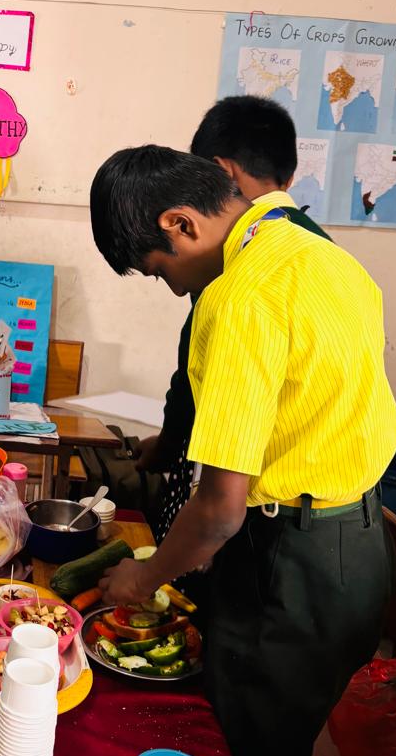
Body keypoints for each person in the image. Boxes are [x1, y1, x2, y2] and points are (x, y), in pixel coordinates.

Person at [90, 146, 396, 756]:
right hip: (360, 540)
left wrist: (144, 576)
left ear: (180, 223)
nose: (173, 288)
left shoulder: (240, 296)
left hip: (287, 561)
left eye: (160, 270)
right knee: (291, 751)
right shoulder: (322, 256)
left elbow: (219, 510)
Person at [136, 97, 331, 544]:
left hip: (259, 505)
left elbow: (197, 373)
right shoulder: (318, 248)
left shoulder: (237, 272)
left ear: (219, 173)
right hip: (320, 505)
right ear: (289, 177)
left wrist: (168, 446)